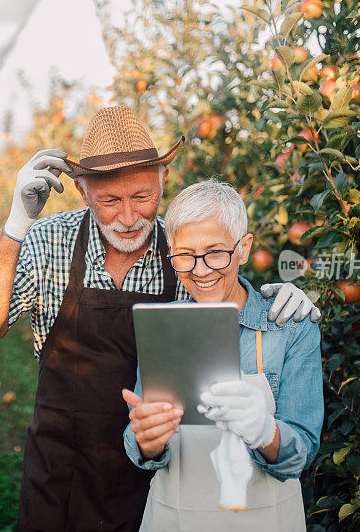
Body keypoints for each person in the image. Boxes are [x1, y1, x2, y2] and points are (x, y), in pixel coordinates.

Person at [0, 106, 320, 531]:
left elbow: (232, 296)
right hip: (63, 474)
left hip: (154, 482)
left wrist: (286, 298)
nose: (129, 219)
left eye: (143, 197)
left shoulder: (183, 250)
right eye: (110, 200)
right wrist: (17, 224)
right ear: (82, 190)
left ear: (164, 182)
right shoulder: (48, 242)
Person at [122, 180, 324, 531]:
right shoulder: (163, 326)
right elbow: (142, 443)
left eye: (216, 252)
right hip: (177, 518)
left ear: (244, 249)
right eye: (185, 255)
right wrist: (145, 439)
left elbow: (300, 455)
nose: (200, 270)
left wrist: (265, 432)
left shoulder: (290, 327)